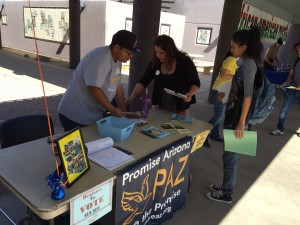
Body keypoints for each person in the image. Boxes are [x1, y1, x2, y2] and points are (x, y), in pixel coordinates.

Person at [206, 26, 263, 203]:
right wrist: (227, 94)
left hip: (239, 117)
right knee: (229, 155)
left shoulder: (248, 64)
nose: (231, 50)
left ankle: (227, 193)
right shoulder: (246, 63)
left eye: (234, 47)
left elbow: (248, 95)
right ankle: (225, 186)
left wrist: (241, 122)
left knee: (231, 156)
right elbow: (239, 91)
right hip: (237, 114)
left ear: (244, 47)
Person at [58, 30, 141, 131]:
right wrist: (113, 110)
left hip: (92, 115)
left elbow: (118, 87)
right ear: (117, 48)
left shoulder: (118, 60)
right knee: (82, 145)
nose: (131, 56)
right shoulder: (100, 58)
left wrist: (124, 113)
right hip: (75, 115)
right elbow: (93, 88)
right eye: (129, 53)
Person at [127, 35, 200, 116]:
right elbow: (143, 81)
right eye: (156, 52)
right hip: (160, 103)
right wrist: (131, 97)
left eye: (161, 52)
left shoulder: (184, 61)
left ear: (170, 51)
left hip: (179, 106)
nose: (158, 55)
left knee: (177, 127)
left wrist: (190, 94)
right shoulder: (155, 63)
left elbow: (195, 83)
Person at [204, 51, 238, 148]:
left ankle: (214, 135)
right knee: (219, 116)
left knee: (218, 115)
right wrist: (236, 76)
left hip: (222, 90)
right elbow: (224, 75)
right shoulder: (231, 59)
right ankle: (204, 136)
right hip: (220, 91)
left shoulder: (231, 60)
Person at [270, 43, 300, 135]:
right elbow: (292, 73)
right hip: (293, 88)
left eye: (299, 50)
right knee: (284, 110)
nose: (298, 52)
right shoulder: (296, 60)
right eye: (298, 50)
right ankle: (280, 129)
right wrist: (288, 81)